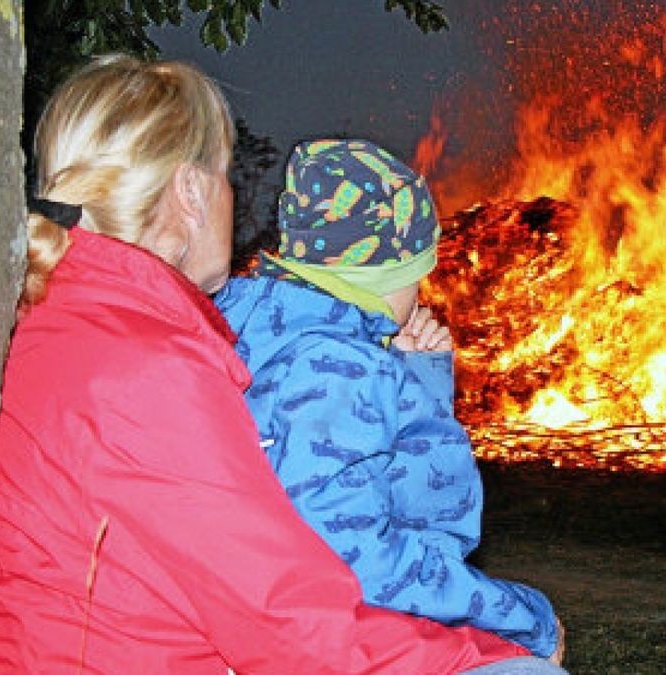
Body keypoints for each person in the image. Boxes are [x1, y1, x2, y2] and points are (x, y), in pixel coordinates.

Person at [0, 55, 547, 673]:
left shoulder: (49, 324)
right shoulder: (145, 370)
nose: (234, 195)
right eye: (224, 175)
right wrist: (499, 645)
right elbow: (288, 624)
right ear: (190, 192)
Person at [215, 139, 566, 667]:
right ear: (387, 273)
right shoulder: (338, 368)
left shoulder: (261, 330)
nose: (421, 296)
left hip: (293, 624)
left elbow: (406, 497)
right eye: (417, 276)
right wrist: (521, 615)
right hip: (327, 641)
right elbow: (364, 562)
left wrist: (414, 382)